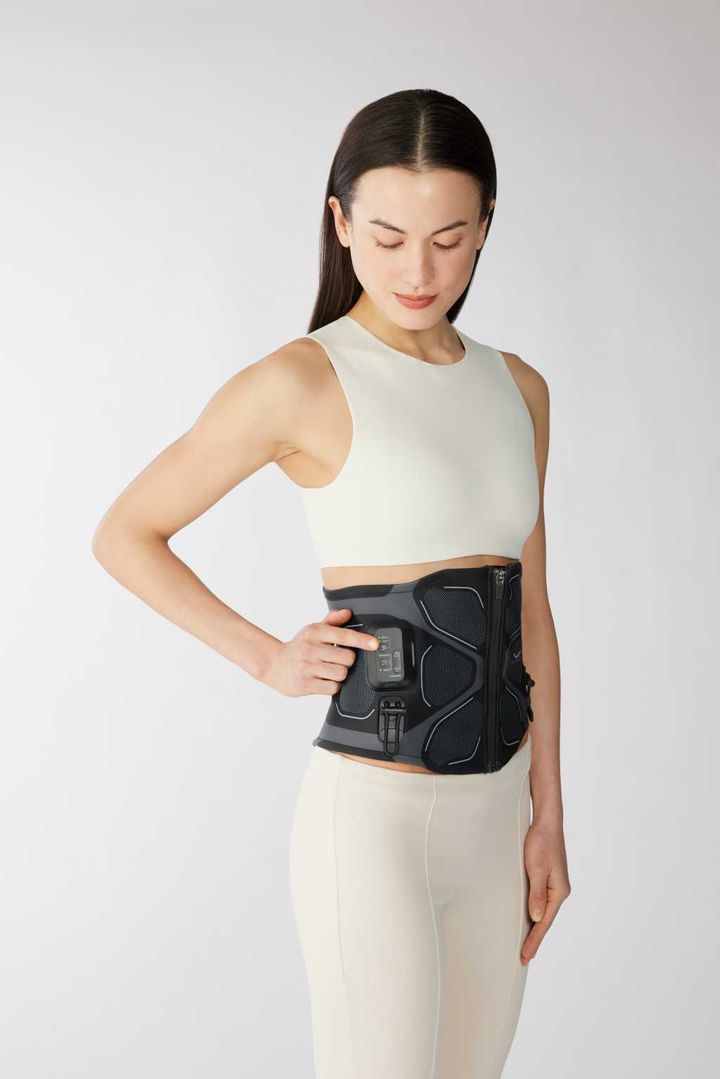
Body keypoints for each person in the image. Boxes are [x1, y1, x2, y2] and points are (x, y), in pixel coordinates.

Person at [92, 87, 570, 1079]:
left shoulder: (518, 387)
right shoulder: (302, 380)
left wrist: (549, 816)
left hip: (500, 824)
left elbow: (532, 613)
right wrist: (265, 656)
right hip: (373, 825)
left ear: (486, 226)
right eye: (389, 237)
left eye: (448, 238)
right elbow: (126, 532)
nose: (418, 270)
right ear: (341, 221)